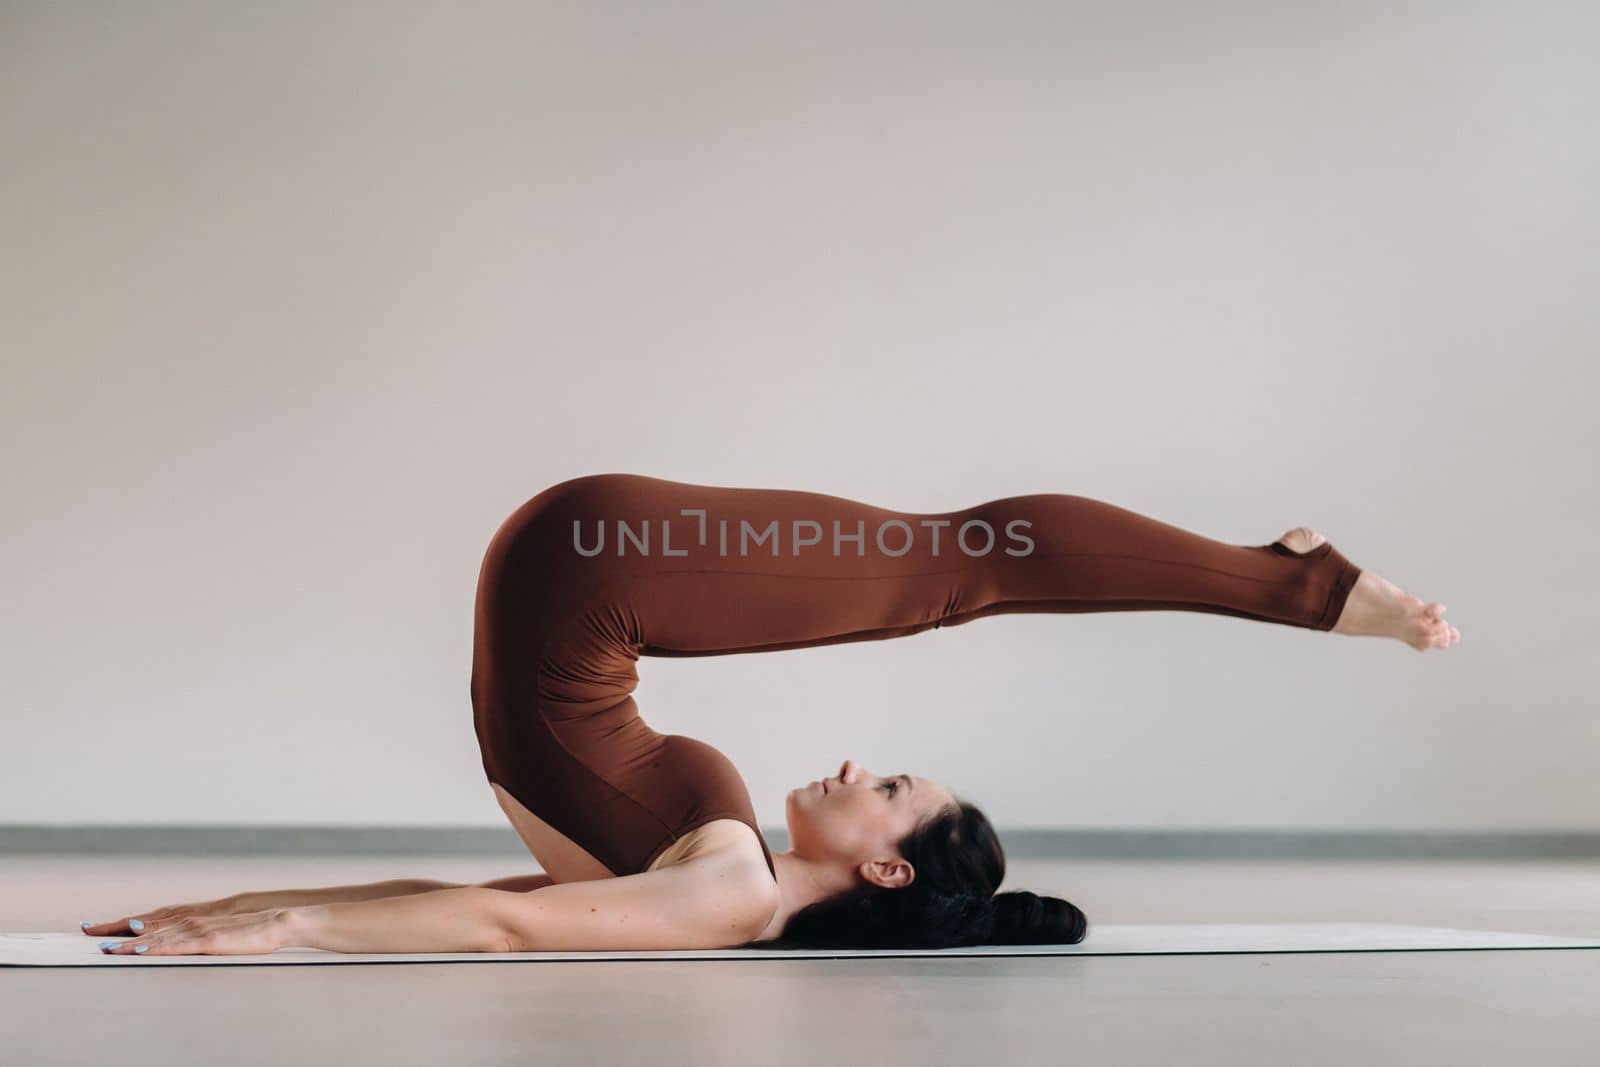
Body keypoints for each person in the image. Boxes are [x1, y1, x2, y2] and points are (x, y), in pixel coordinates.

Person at [83, 474, 1456, 956]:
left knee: (953, 564)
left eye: (894, 784)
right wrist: (260, 912)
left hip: (594, 565)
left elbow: (488, 913)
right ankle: (1300, 591)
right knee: (948, 566)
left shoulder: (730, 898)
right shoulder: (718, 880)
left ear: (886, 864)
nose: (863, 762)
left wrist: (272, 916)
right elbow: (483, 898)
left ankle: (1304, 588)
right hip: (580, 571)